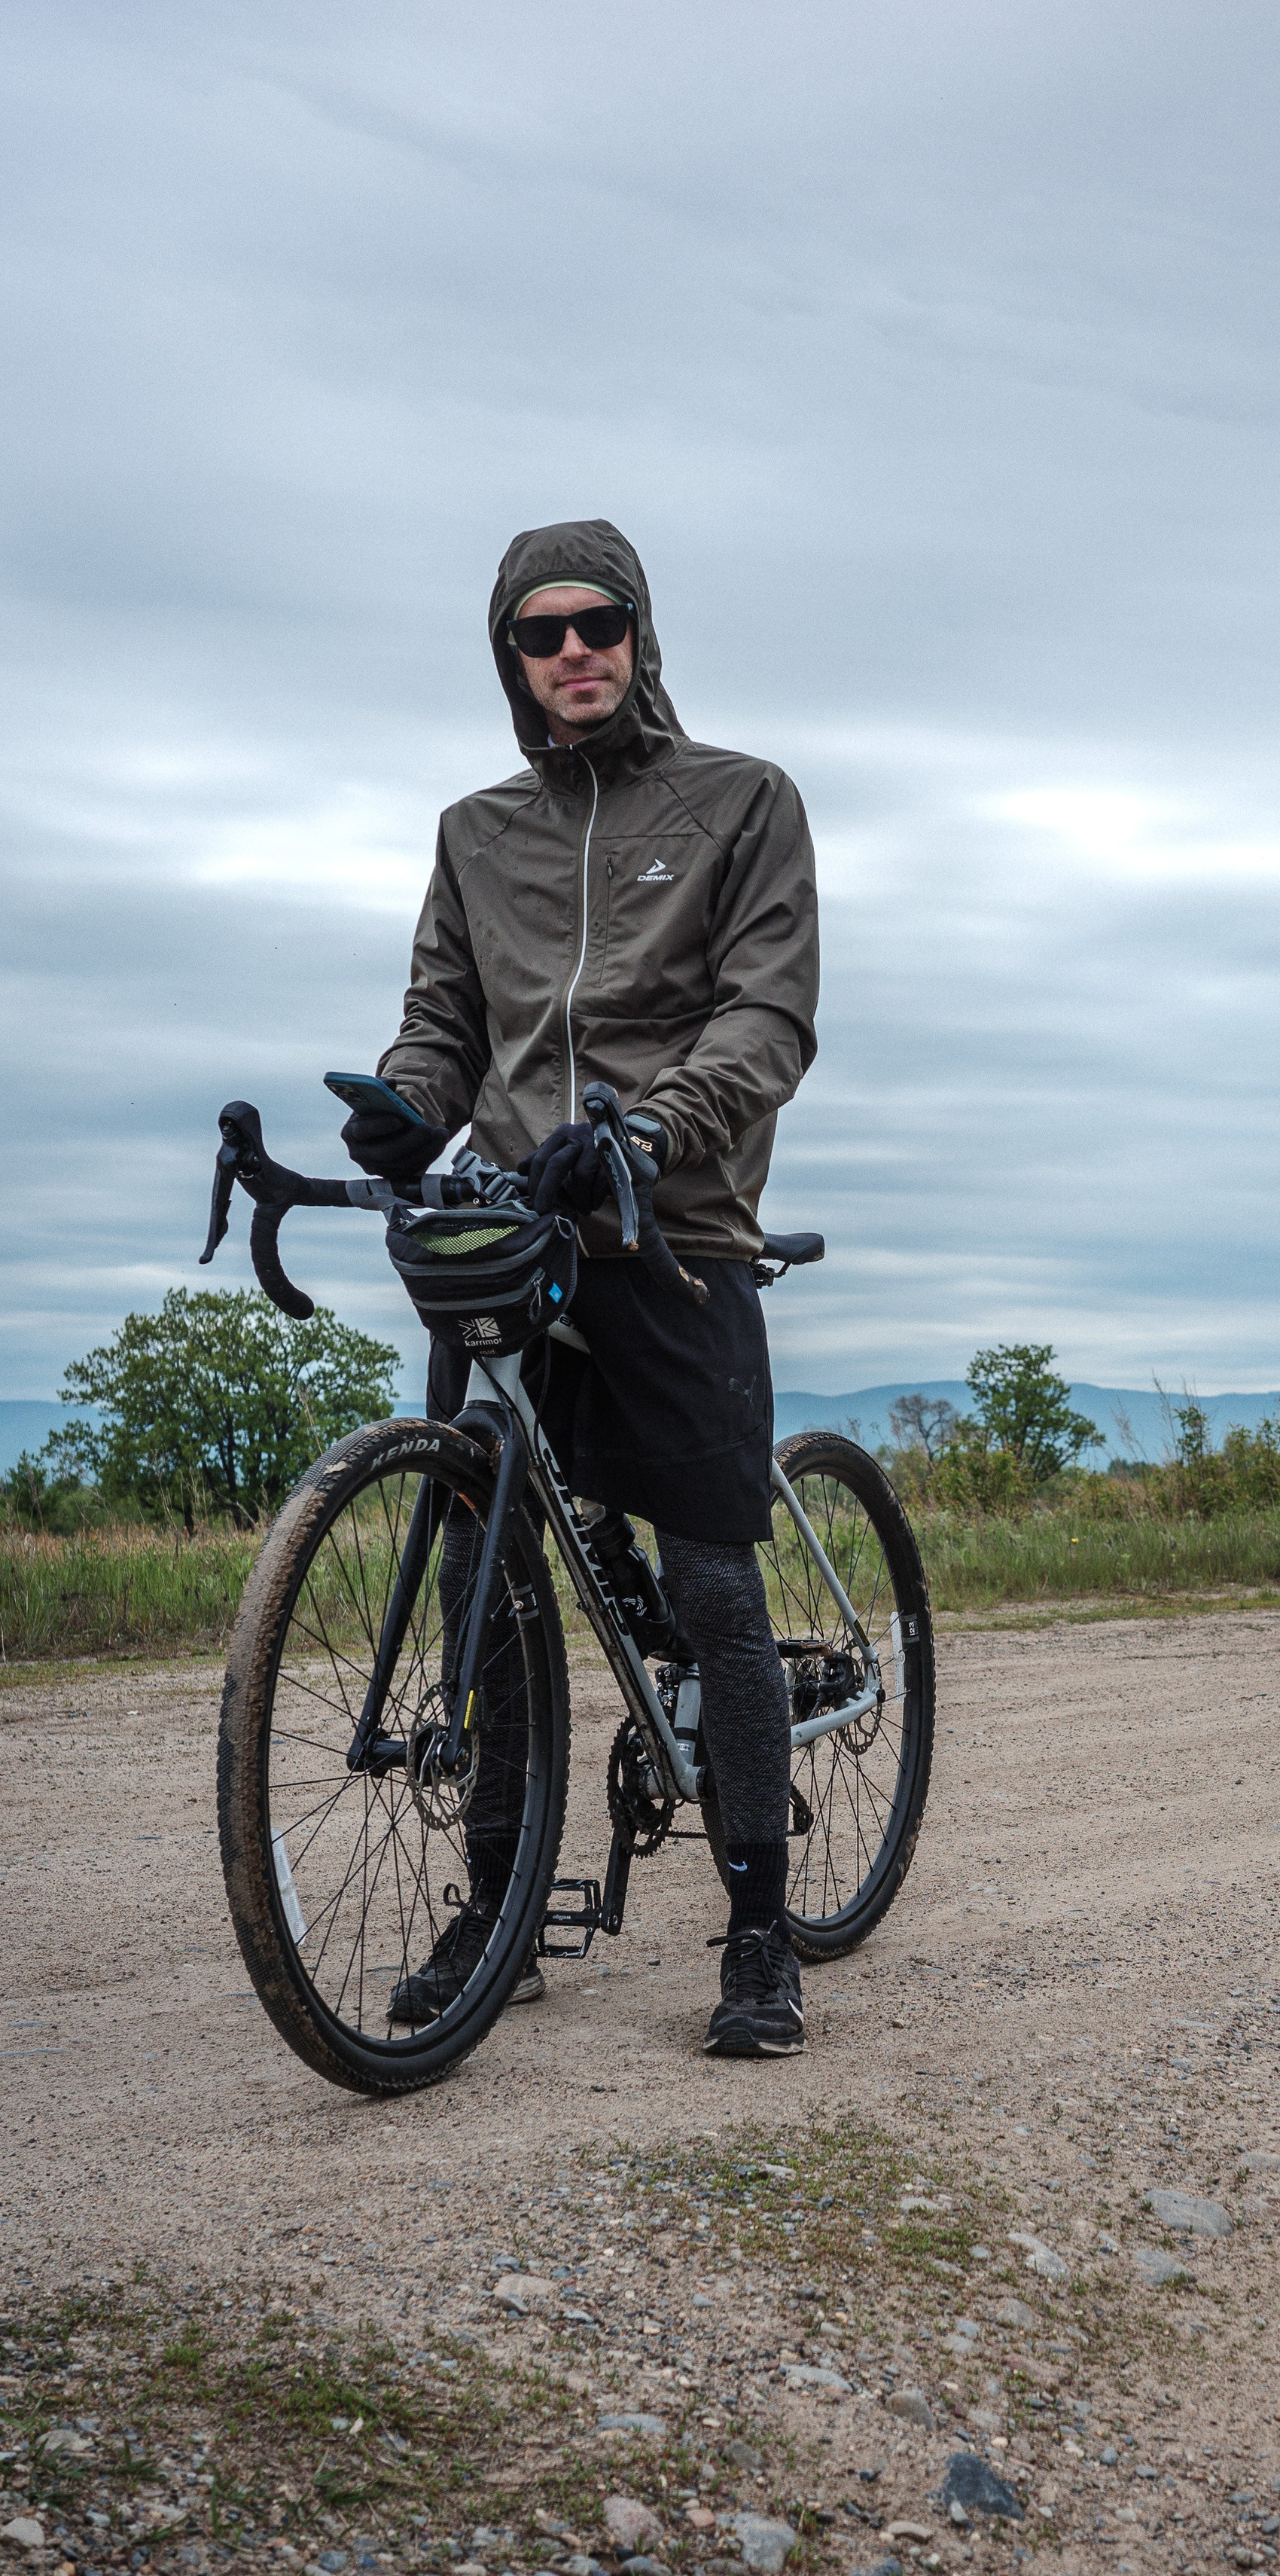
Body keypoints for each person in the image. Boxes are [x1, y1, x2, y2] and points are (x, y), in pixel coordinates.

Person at [344, 518, 818, 2057]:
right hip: (510, 1239)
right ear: (510, 657)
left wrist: (650, 1126)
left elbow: (767, 1020)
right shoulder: (475, 832)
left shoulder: (741, 802)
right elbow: (443, 1025)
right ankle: (493, 1921)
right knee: (486, 1588)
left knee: (707, 1584)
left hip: (666, 1231)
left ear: (638, 633)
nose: (572, 653)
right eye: (540, 633)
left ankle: (759, 1935)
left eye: (596, 623)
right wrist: (404, 1108)